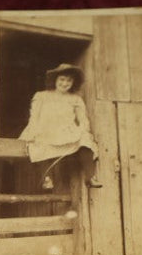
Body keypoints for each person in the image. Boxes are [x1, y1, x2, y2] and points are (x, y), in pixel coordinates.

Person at [20, 64, 103, 192]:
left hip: (67, 132)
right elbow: (34, 117)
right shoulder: (41, 96)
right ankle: (47, 179)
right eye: (62, 79)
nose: (65, 83)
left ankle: (90, 177)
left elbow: (83, 119)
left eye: (69, 80)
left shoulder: (75, 99)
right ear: (55, 80)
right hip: (45, 130)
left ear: (73, 83)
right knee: (38, 143)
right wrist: (32, 133)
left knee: (85, 140)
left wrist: (84, 131)